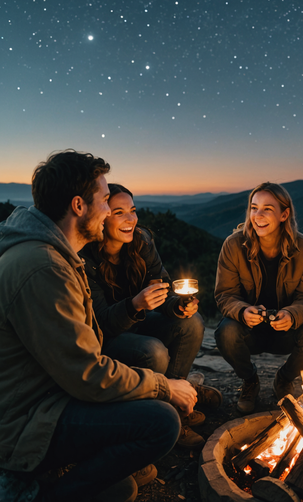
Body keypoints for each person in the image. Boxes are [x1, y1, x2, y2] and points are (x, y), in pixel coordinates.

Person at [0, 150, 197, 502]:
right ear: (79, 205)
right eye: (106, 201)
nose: (109, 212)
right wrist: (164, 386)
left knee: (120, 486)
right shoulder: (45, 268)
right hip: (25, 422)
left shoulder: (55, 255)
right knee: (161, 422)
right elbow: (87, 374)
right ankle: (42, 494)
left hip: (47, 394)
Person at [79, 183, 222, 450]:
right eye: (119, 212)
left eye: (132, 211)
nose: (131, 219)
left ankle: (178, 399)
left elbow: (163, 287)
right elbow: (101, 322)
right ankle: (161, 414)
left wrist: (175, 307)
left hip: (138, 322)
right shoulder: (85, 258)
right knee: (153, 351)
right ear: (101, 216)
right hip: (106, 337)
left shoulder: (141, 241)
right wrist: (134, 305)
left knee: (192, 322)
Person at [214, 182, 303, 414]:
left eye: (267, 209)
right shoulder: (233, 245)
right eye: (254, 208)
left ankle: (284, 378)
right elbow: (225, 295)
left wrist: (292, 315)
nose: (258, 215)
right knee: (226, 332)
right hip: (249, 330)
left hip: (284, 331)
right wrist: (243, 311)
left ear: (284, 214)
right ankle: (250, 380)